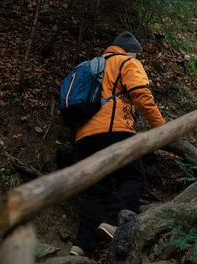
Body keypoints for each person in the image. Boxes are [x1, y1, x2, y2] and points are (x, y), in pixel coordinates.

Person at [70, 32, 165, 257]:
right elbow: (141, 93)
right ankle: (112, 222)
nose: (139, 58)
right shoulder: (127, 62)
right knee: (134, 178)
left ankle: (81, 245)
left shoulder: (91, 66)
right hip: (115, 131)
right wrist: (161, 126)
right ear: (131, 50)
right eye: (138, 54)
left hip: (84, 136)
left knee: (99, 190)